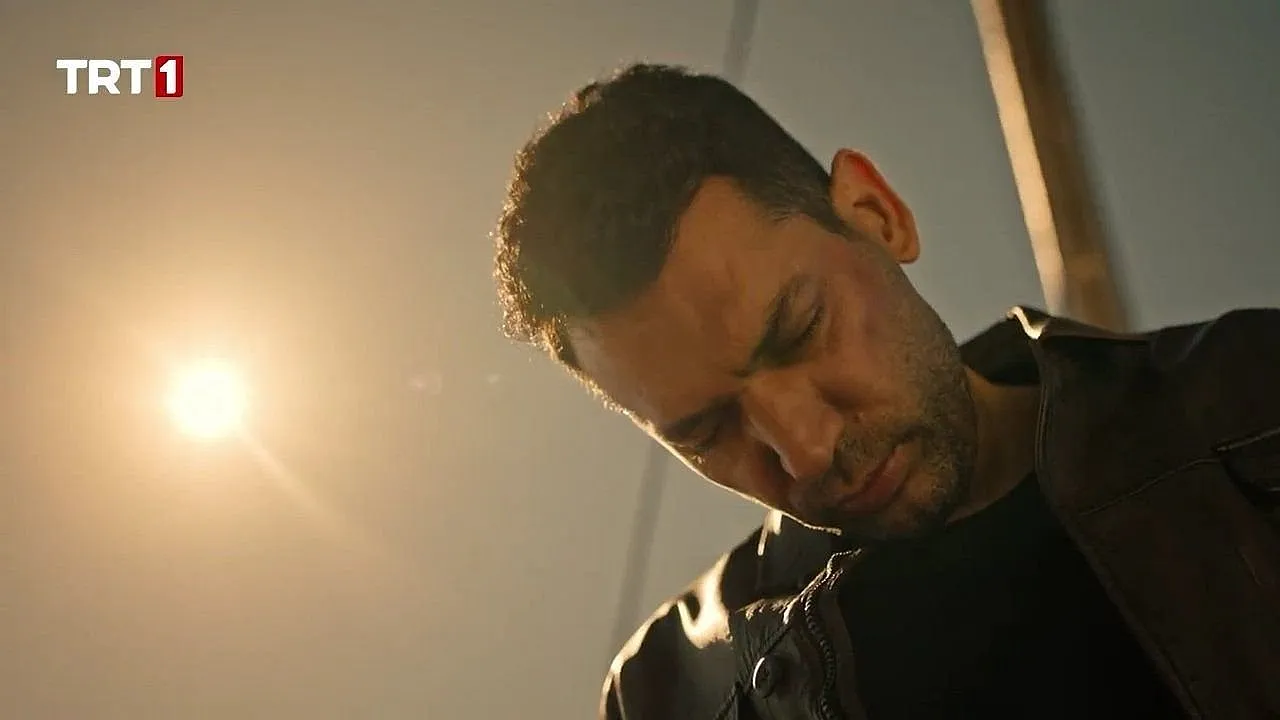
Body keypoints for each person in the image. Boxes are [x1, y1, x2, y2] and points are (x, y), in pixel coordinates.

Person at [490, 63, 1280, 719]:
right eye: (706, 431)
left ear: (877, 215)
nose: (804, 451)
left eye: (799, 330)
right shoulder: (668, 694)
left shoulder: (1255, 394)